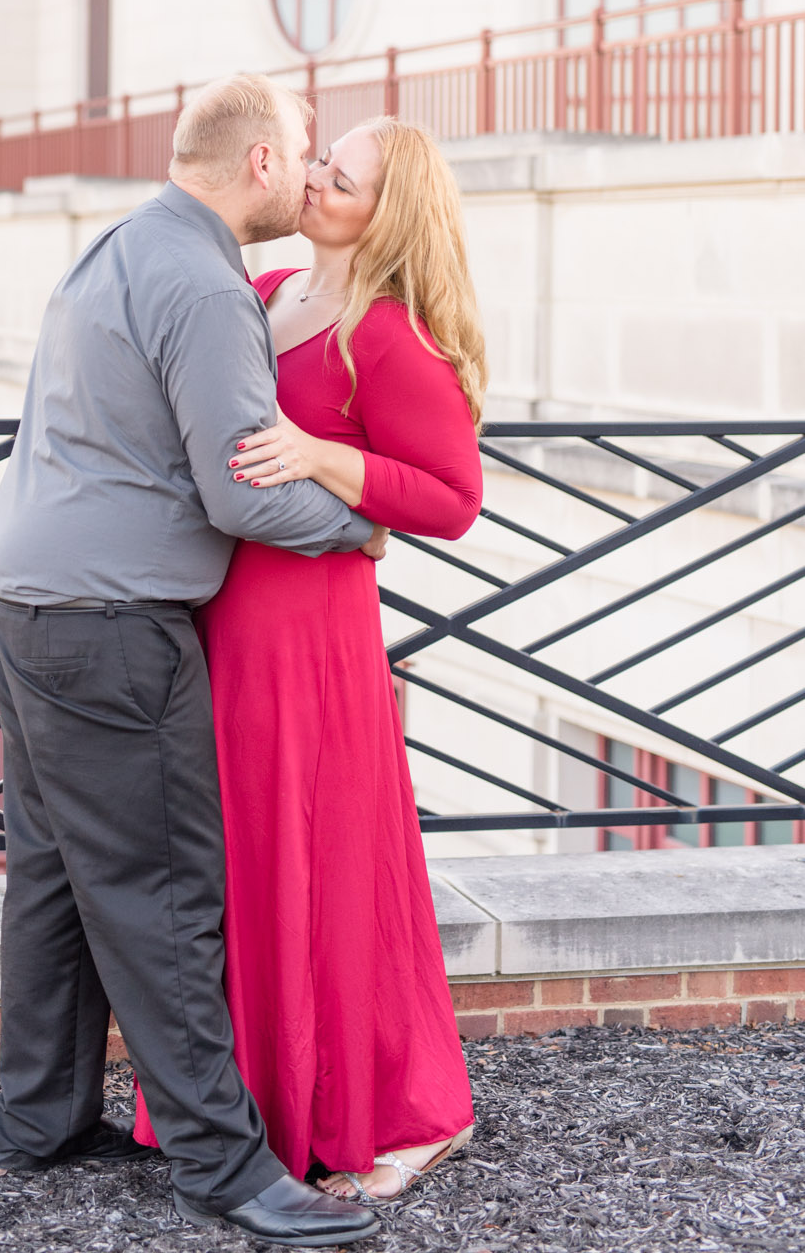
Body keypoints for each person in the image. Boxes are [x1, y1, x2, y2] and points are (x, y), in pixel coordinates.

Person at [0, 76, 387, 1247]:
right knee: (161, 896)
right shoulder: (208, 284)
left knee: (54, 878)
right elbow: (244, 490)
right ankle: (226, 1167)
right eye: (301, 154)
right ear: (258, 160)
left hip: (21, 595)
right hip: (107, 622)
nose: (306, 177)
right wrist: (361, 522)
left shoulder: (118, 242)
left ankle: (38, 1118)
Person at [136, 115, 484, 1204]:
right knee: (231, 861)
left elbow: (451, 498)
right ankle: (239, 1107)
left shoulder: (386, 333)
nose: (316, 181)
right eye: (320, 163)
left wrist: (329, 458)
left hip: (311, 642)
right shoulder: (272, 280)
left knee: (319, 865)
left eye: (343, 178)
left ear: (389, 210)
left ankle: (394, 1113)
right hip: (223, 621)